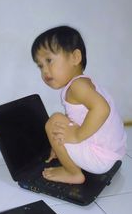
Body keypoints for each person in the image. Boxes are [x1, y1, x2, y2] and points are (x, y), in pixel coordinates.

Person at [31, 26, 126, 184]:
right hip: (112, 153)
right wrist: (59, 146)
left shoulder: (77, 87)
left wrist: (77, 135)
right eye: (40, 65)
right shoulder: (83, 83)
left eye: (49, 60)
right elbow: (77, 118)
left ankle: (73, 173)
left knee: (54, 122)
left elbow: (102, 109)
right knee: (61, 122)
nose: (45, 71)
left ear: (75, 57)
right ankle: (69, 159)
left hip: (100, 158)